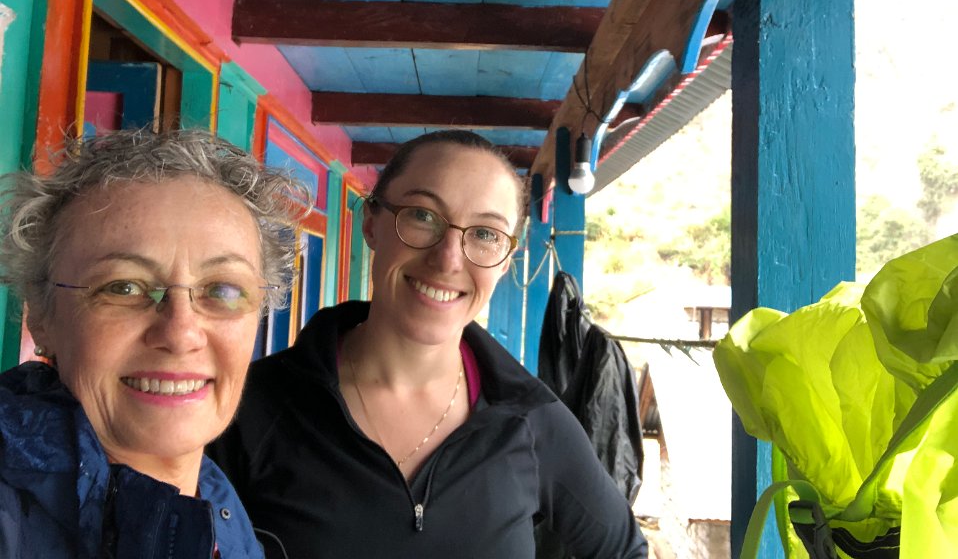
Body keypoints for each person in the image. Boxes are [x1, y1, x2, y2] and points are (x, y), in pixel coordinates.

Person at [209, 130, 649, 558]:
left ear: (504, 261)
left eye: (485, 234)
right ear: (372, 223)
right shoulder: (250, 406)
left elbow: (624, 548)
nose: (448, 259)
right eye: (422, 216)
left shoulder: (530, 421)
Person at [0, 129, 309, 559]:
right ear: (41, 315)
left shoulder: (222, 516)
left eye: (221, 290)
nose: (181, 333)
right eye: (124, 287)